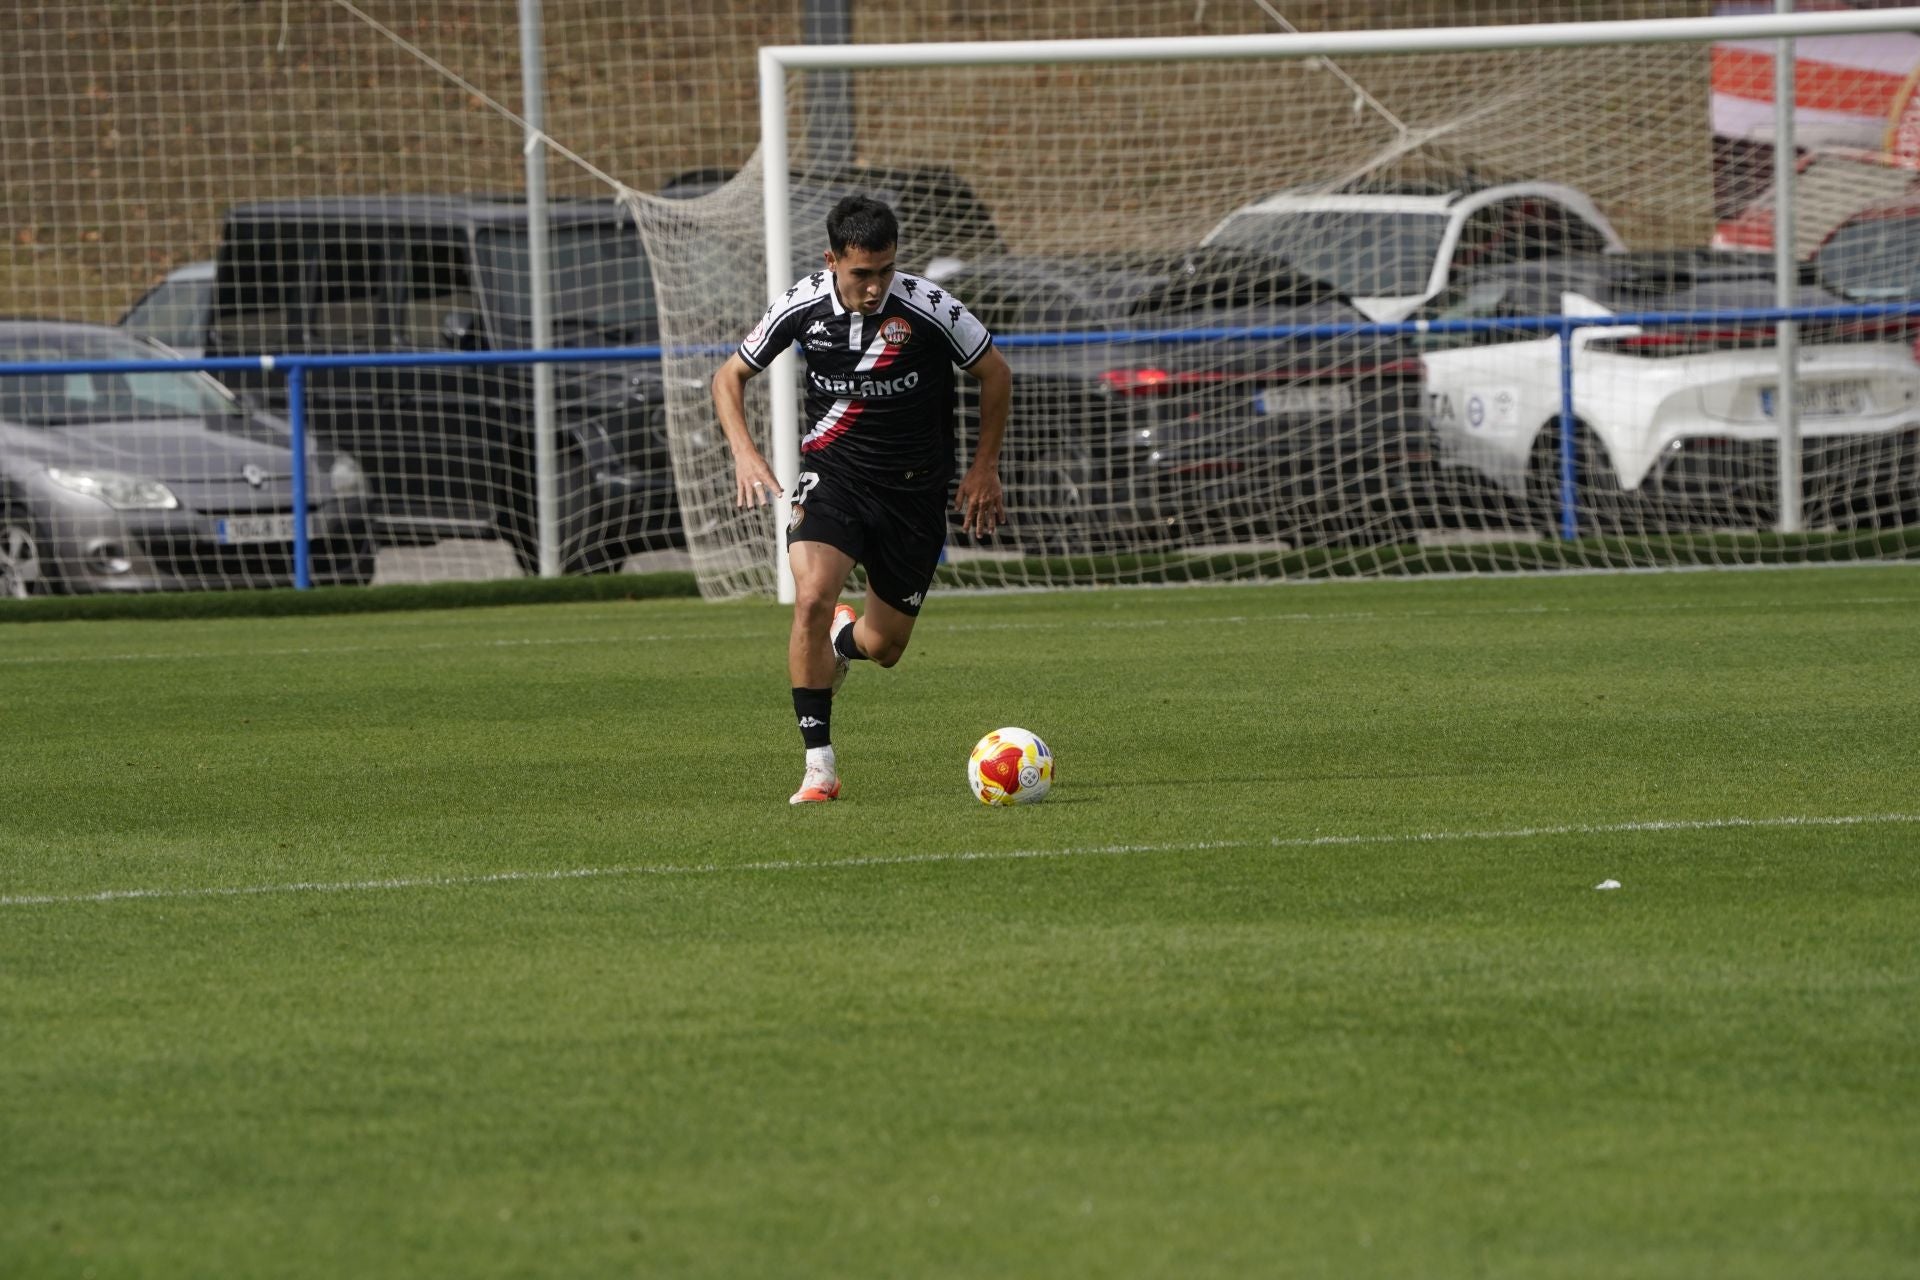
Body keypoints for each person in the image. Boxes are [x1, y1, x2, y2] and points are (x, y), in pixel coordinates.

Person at [712, 194, 1011, 805]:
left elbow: (996, 373)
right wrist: (744, 450)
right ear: (832, 260)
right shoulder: (801, 305)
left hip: (913, 495)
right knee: (812, 598)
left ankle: (845, 643)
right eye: (860, 274)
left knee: (886, 648)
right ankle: (819, 768)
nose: (874, 287)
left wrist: (985, 467)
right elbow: (730, 375)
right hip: (834, 480)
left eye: (885, 270)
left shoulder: (930, 307)